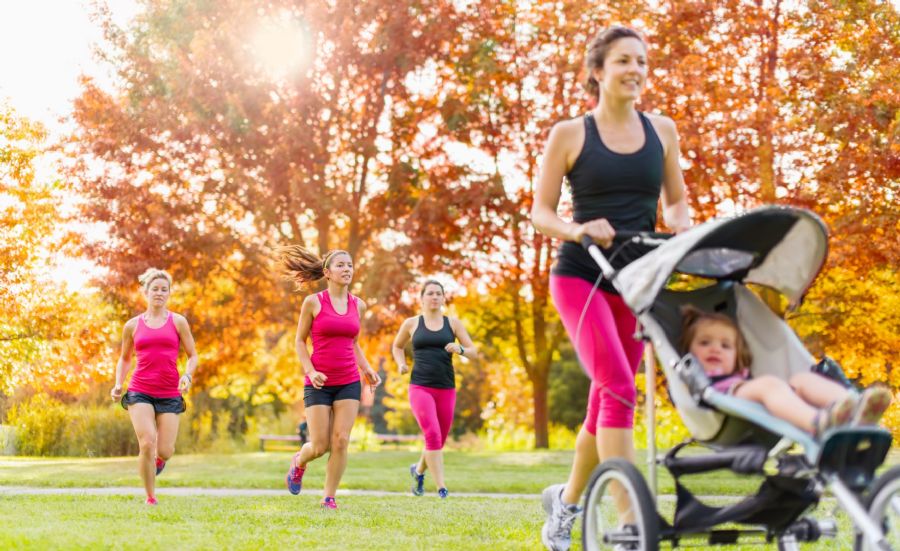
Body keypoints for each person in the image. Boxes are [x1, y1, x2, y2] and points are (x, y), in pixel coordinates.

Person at [530, 26, 691, 551]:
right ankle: (629, 522)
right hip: (582, 275)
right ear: (597, 71)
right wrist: (577, 227)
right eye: (624, 60)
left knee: (606, 400)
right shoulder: (570, 134)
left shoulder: (662, 130)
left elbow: (675, 202)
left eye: (642, 61)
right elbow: (540, 212)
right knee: (620, 387)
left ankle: (566, 503)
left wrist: (683, 230)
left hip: (637, 279)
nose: (636, 70)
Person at [680, 305, 892, 434]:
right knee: (769, 384)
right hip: (723, 396)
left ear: (737, 357)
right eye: (705, 343)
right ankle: (817, 423)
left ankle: (853, 406)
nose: (715, 349)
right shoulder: (697, 375)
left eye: (725, 346)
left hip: (757, 395)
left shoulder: (741, 373)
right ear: (689, 350)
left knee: (802, 379)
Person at [279, 246, 382, 509]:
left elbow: (354, 343)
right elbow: (300, 342)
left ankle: (329, 497)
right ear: (327, 272)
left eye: (349, 265)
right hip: (319, 383)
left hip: (348, 380)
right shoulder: (313, 302)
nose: (347, 269)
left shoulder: (358, 305)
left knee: (342, 440)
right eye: (341, 265)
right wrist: (310, 371)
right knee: (319, 445)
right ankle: (299, 462)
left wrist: (367, 369)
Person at [110, 268, 198, 506]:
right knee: (147, 442)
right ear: (145, 292)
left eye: (164, 289)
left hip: (170, 391)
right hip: (140, 390)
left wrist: (188, 376)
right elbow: (125, 358)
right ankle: (150, 496)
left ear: (169, 293)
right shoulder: (132, 325)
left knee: (165, 450)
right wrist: (119, 383)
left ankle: (159, 460)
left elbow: (192, 356)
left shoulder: (178, 322)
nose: (159, 293)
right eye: (155, 289)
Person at [391, 279, 477, 499]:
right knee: (432, 434)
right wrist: (401, 363)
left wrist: (459, 349)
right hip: (420, 386)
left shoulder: (453, 324)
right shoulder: (411, 323)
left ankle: (418, 471)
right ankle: (441, 488)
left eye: (439, 293)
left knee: (438, 440)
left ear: (443, 298)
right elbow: (397, 346)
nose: (435, 297)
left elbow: (473, 350)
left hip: (446, 387)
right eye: (430, 293)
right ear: (422, 298)